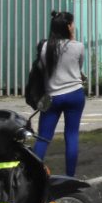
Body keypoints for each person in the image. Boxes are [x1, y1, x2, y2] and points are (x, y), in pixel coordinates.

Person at [32, 11, 86, 177]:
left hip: (51, 97)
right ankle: (70, 177)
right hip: (74, 95)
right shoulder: (78, 46)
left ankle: (32, 177)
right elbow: (79, 67)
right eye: (72, 24)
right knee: (71, 135)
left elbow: (41, 70)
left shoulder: (44, 47)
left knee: (43, 137)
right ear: (68, 26)